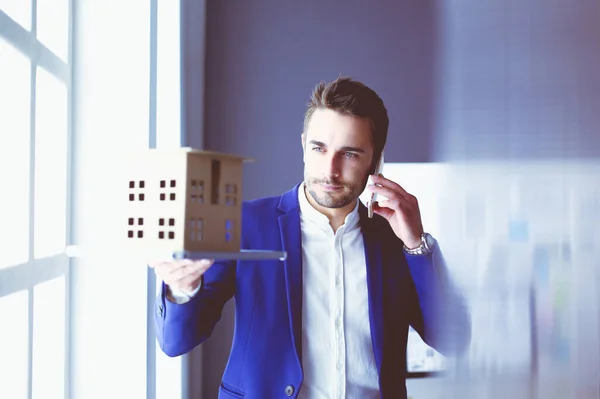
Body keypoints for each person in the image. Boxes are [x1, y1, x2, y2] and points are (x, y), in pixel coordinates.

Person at [150, 77, 471, 399]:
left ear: (375, 160)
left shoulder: (394, 239)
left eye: (350, 154)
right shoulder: (246, 224)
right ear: (304, 145)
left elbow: (452, 340)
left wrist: (416, 246)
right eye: (319, 148)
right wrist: (182, 288)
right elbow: (177, 342)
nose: (330, 170)